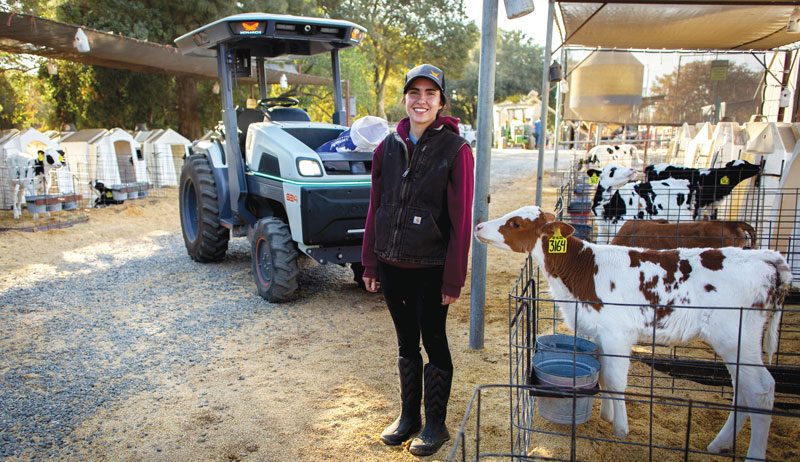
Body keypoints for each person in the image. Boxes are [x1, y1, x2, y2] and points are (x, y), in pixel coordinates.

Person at [361, 63, 474, 456]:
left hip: (431, 269)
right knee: (406, 342)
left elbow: (461, 219)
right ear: (405, 98)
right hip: (392, 265)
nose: (421, 100)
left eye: (430, 93)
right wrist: (370, 264)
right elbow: (376, 205)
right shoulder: (387, 145)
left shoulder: (455, 150)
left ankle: (436, 426)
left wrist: (453, 279)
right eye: (414, 92)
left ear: (441, 101)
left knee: (435, 342)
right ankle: (409, 417)